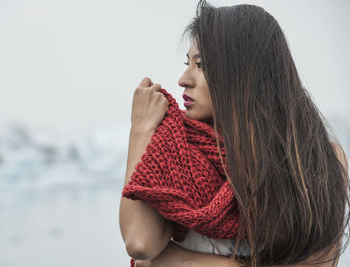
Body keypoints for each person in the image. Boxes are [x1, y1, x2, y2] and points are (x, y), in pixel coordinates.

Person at [119, 1, 350, 266]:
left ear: (245, 72)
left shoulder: (320, 159)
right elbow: (140, 243)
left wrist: (180, 260)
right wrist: (141, 130)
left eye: (201, 65)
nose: (183, 79)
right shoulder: (178, 151)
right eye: (187, 63)